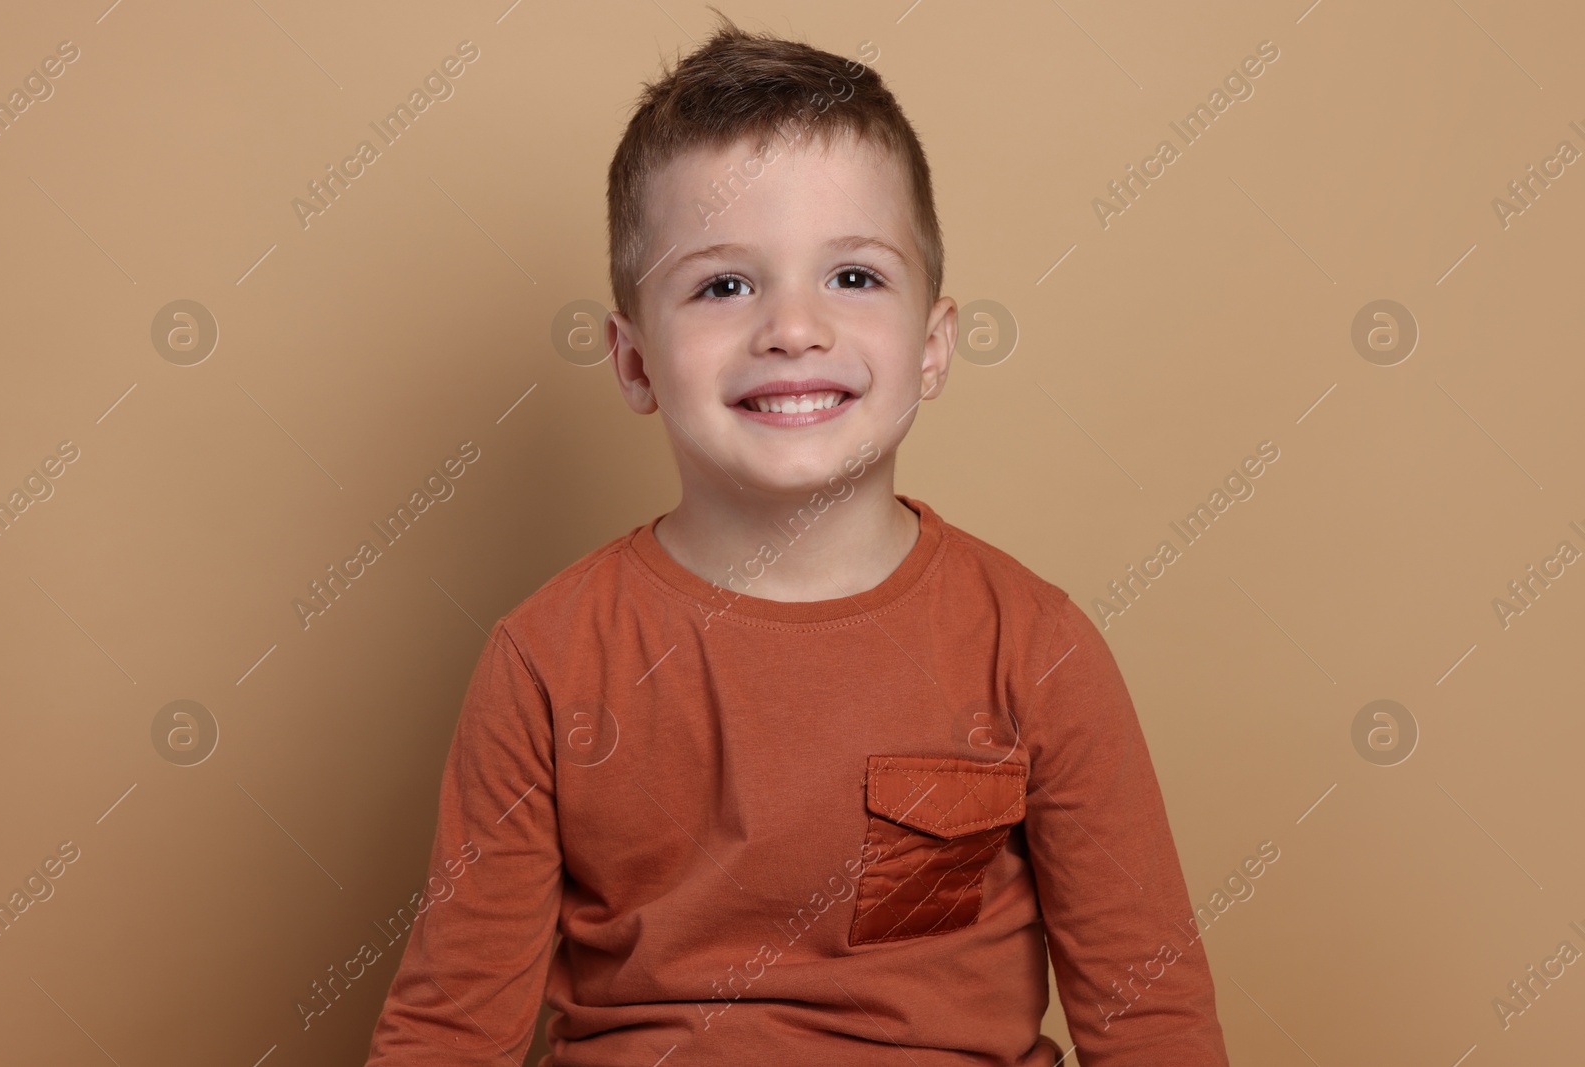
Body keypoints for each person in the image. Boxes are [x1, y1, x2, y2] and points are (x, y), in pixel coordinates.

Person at [365, 12, 1232, 1065]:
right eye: (723, 284)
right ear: (634, 361)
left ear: (931, 344)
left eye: (853, 276)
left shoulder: (1035, 648)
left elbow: (1151, 1021)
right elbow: (448, 1032)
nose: (792, 328)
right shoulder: (546, 659)